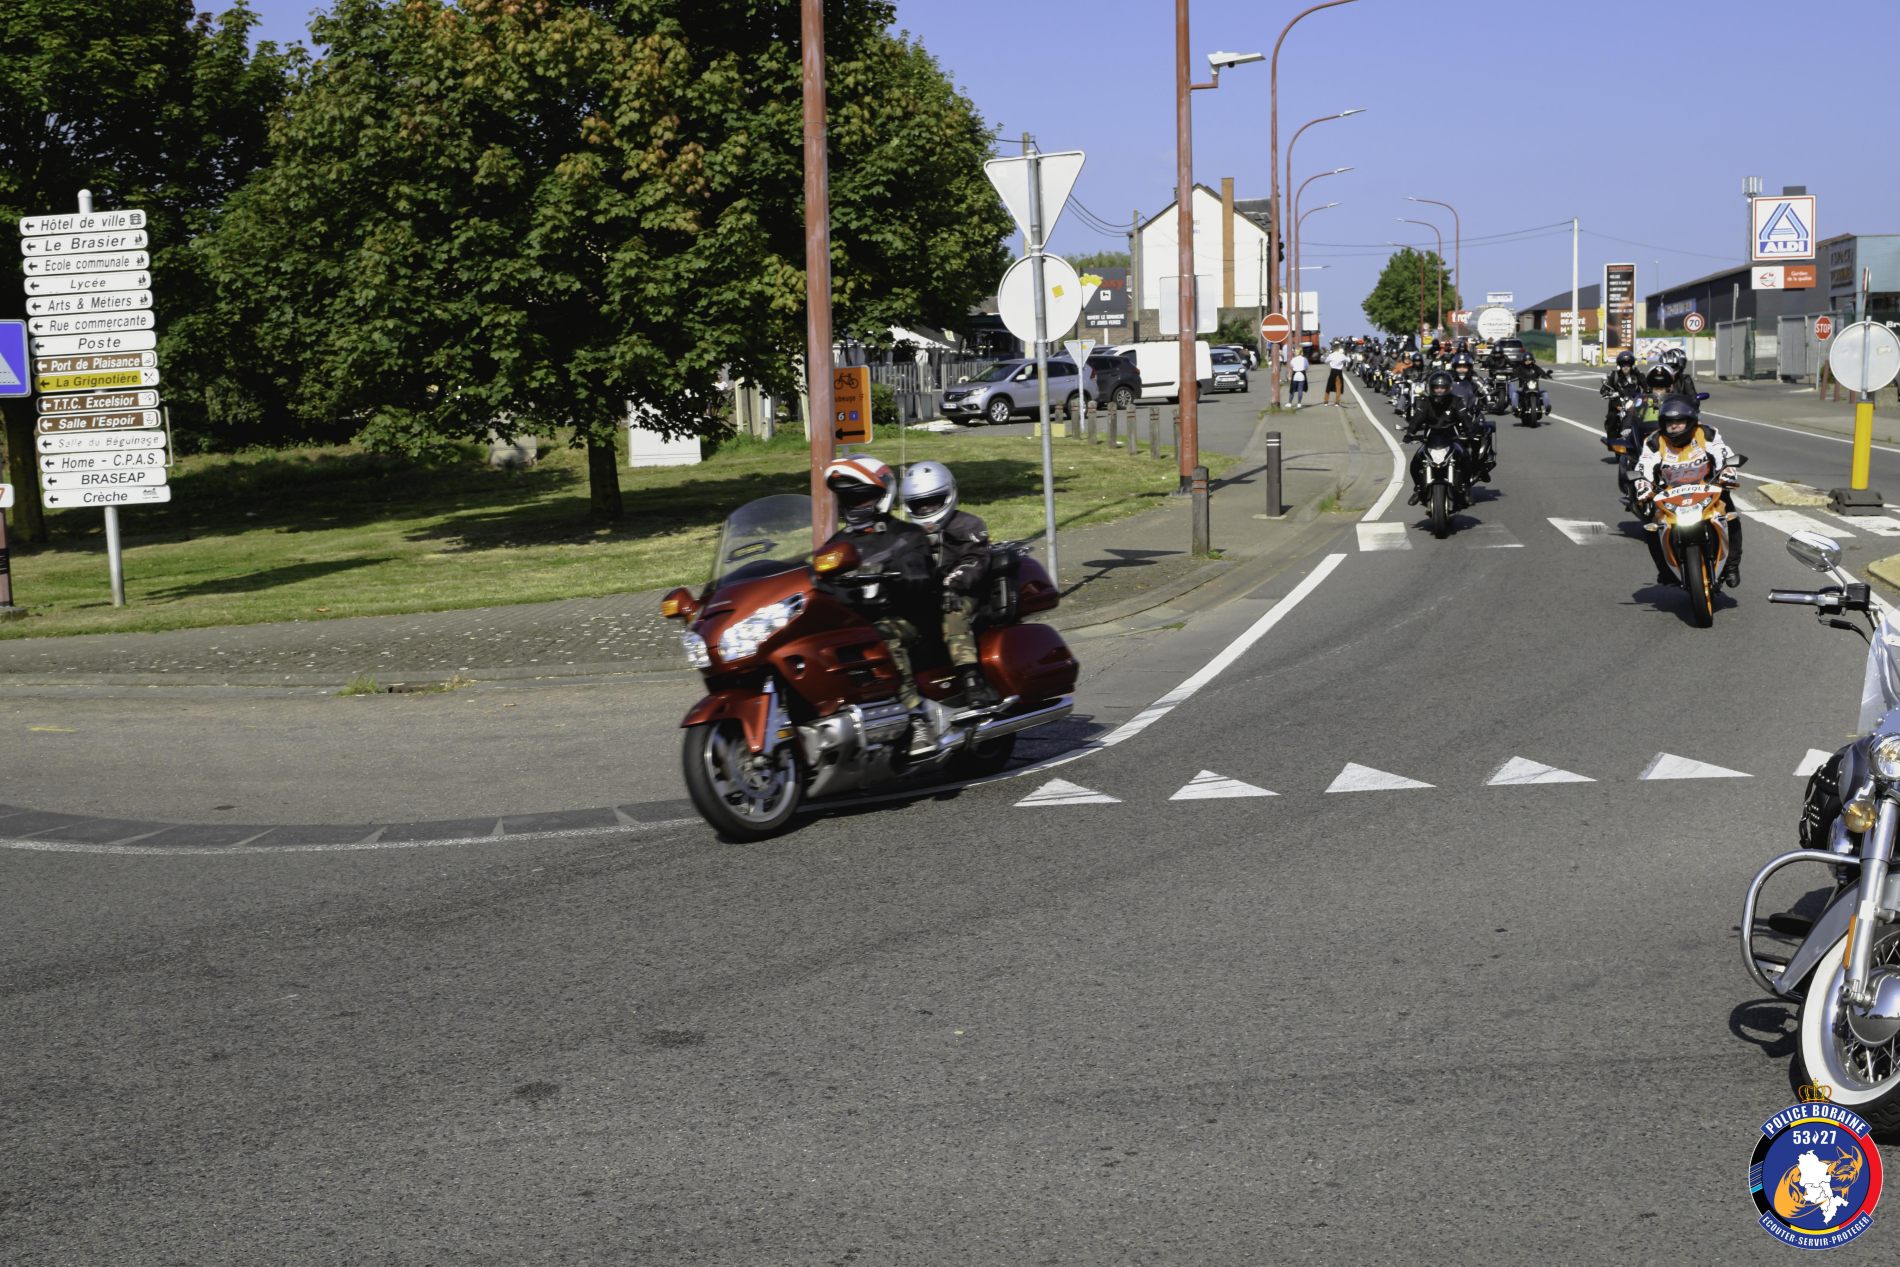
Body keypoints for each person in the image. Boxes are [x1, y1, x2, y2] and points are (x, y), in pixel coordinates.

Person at [819, 454, 939, 755]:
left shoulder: (906, 535)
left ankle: (917, 718)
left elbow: (919, 565)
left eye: (860, 499)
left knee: (882, 637)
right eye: (847, 500)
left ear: (882, 496)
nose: (853, 507)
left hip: (903, 617)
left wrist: (910, 570)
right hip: (854, 624)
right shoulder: (836, 544)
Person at [899, 459, 998, 709]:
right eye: (919, 504)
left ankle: (971, 679)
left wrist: (951, 585)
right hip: (923, 598)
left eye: (933, 501)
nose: (926, 509)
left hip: (966, 594)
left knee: (953, 611)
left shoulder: (968, 526)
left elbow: (975, 561)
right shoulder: (906, 534)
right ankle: (903, 692)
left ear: (948, 495)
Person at [1632, 394, 1745, 587]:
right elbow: (1644, 466)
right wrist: (1643, 485)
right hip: (1670, 494)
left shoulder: (1707, 433)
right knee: (1652, 526)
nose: (1674, 426)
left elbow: (1723, 453)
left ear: (1691, 421)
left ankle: (1732, 566)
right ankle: (1665, 571)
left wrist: (1728, 472)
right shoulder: (1653, 441)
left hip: (1708, 488)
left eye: (1679, 422)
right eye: (1669, 423)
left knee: (1731, 516)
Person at [1598, 349, 1645, 430]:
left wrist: (1650, 392)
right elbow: (1605, 388)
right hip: (1619, 403)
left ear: (1631, 365)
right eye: (1623, 364)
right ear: (1620, 365)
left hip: (1635, 402)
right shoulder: (1614, 375)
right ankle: (1612, 435)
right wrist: (1607, 392)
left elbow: (1647, 387)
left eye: (1628, 364)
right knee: (1612, 417)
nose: (1625, 367)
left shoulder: (1638, 375)